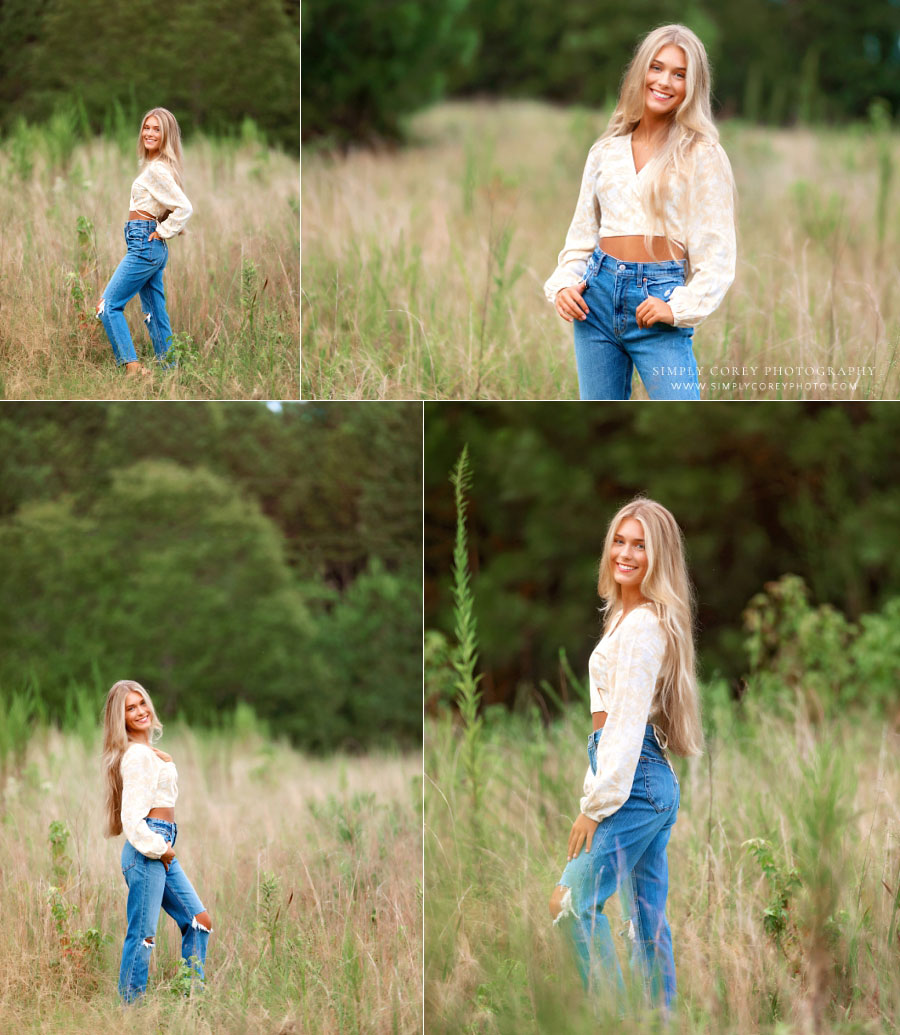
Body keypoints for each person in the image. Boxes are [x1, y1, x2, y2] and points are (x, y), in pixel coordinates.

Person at [548, 498, 703, 1014]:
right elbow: (614, 733)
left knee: (571, 904)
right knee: (645, 921)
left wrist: (594, 803)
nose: (626, 552)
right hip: (644, 777)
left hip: (633, 778)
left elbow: (625, 725)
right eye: (620, 540)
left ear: (660, 557)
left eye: (641, 545)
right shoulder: (629, 616)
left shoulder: (642, 626)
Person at [544, 25, 736, 400]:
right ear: (640, 72)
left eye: (680, 74)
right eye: (657, 68)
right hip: (594, 302)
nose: (665, 82)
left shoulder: (702, 154)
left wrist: (675, 307)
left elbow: (717, 255)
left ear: (692, 86)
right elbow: (581, 241)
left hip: (658, 303)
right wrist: (565, 285)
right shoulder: (605, 152)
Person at [101, 679, 213, 1002]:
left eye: (141, 703)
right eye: (130, 708)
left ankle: (191, 1002)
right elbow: (132, 822)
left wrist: (164, 848)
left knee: (199, 921)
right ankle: (131, 1014)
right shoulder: (136, 756)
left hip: (159, 847)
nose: (140, 711)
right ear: (120, 719)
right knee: (143, 936)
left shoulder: (150, 752)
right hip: (148, 848)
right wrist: (163, 849)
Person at [96, 108, 192, 375]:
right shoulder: (153, 167)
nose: (149, 133)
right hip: (147, 244)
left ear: (166, 135)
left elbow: (184, 208)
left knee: (108, 306)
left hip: (146, 243)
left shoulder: (157, 170)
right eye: (146, 127)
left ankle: (132, 367)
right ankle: (170, 369)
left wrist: (163, 231)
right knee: (155, 312)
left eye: (156, 129)